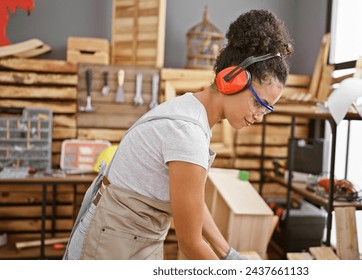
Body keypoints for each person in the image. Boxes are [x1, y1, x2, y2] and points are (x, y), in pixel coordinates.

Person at [64, 9, 293, 260]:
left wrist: (228, 254)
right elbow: (191, 244)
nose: (259, 116)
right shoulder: (188, 134)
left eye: (267, 109)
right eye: (259, 103)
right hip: (111, 240)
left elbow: (192, 203)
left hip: (131, 234)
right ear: (233, 79)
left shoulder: (192, 111)